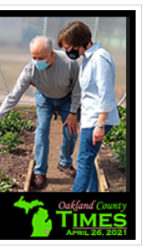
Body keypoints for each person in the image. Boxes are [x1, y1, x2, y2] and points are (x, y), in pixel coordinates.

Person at [0, 35, 80, 190]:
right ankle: (40, 171)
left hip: (66, 98)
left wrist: (73, 113)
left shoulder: (69, 63)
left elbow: (77, 89)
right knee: (41, 131)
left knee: (71, 132)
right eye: (33, 57)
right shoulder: (30, 69)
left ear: (52, 54)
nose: (36, 61)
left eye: (40, 57)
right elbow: (13, 96)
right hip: (45, 97)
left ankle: (64, 162)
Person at [57, 21, 120, 192]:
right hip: (90, 119)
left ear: (80, 42)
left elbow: (105, 93)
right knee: (88, 159)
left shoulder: (100, 59)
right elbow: (89, 93)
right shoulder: (89, 58)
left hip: (98, 120)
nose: (67, 51)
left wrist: (100, 124)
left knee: (83, 160)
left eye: (68, 47)